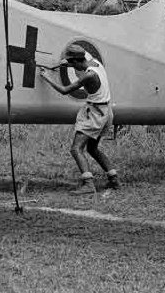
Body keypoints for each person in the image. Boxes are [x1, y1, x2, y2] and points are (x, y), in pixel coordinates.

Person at [38, 44, 120, 195]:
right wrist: (69, 63)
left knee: (76, 149)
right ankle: (114, 179)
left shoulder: (89, 76)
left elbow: (65, 90)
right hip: (106, 112)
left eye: (71, 62)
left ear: (76, 61)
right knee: (92, 149)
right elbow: (80, 64)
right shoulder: (95, 63)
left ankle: (88, 184)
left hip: (95, 114)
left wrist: (47, 77)